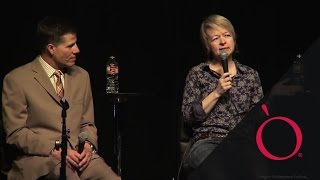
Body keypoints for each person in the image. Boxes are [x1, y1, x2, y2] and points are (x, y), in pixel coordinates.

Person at [2, 16, 121, 180]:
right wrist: (54, 149)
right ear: (51, 48)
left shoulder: (81, 76)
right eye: (70, 45)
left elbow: (87, 123)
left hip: (79, 158)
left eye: (76, 43)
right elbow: (16, 133)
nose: (77, 50)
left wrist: (88, 146)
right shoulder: (17, 79)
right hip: (41, 159)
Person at [181, 14, 264, 170]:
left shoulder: (250, 75)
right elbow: (188, 117)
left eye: (227, 35)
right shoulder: (198, 73)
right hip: (207, 142)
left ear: (234, 39)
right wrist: (216, 92)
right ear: (208, 46)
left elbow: (258, 118)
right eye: (215, 38)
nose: (223, 42)